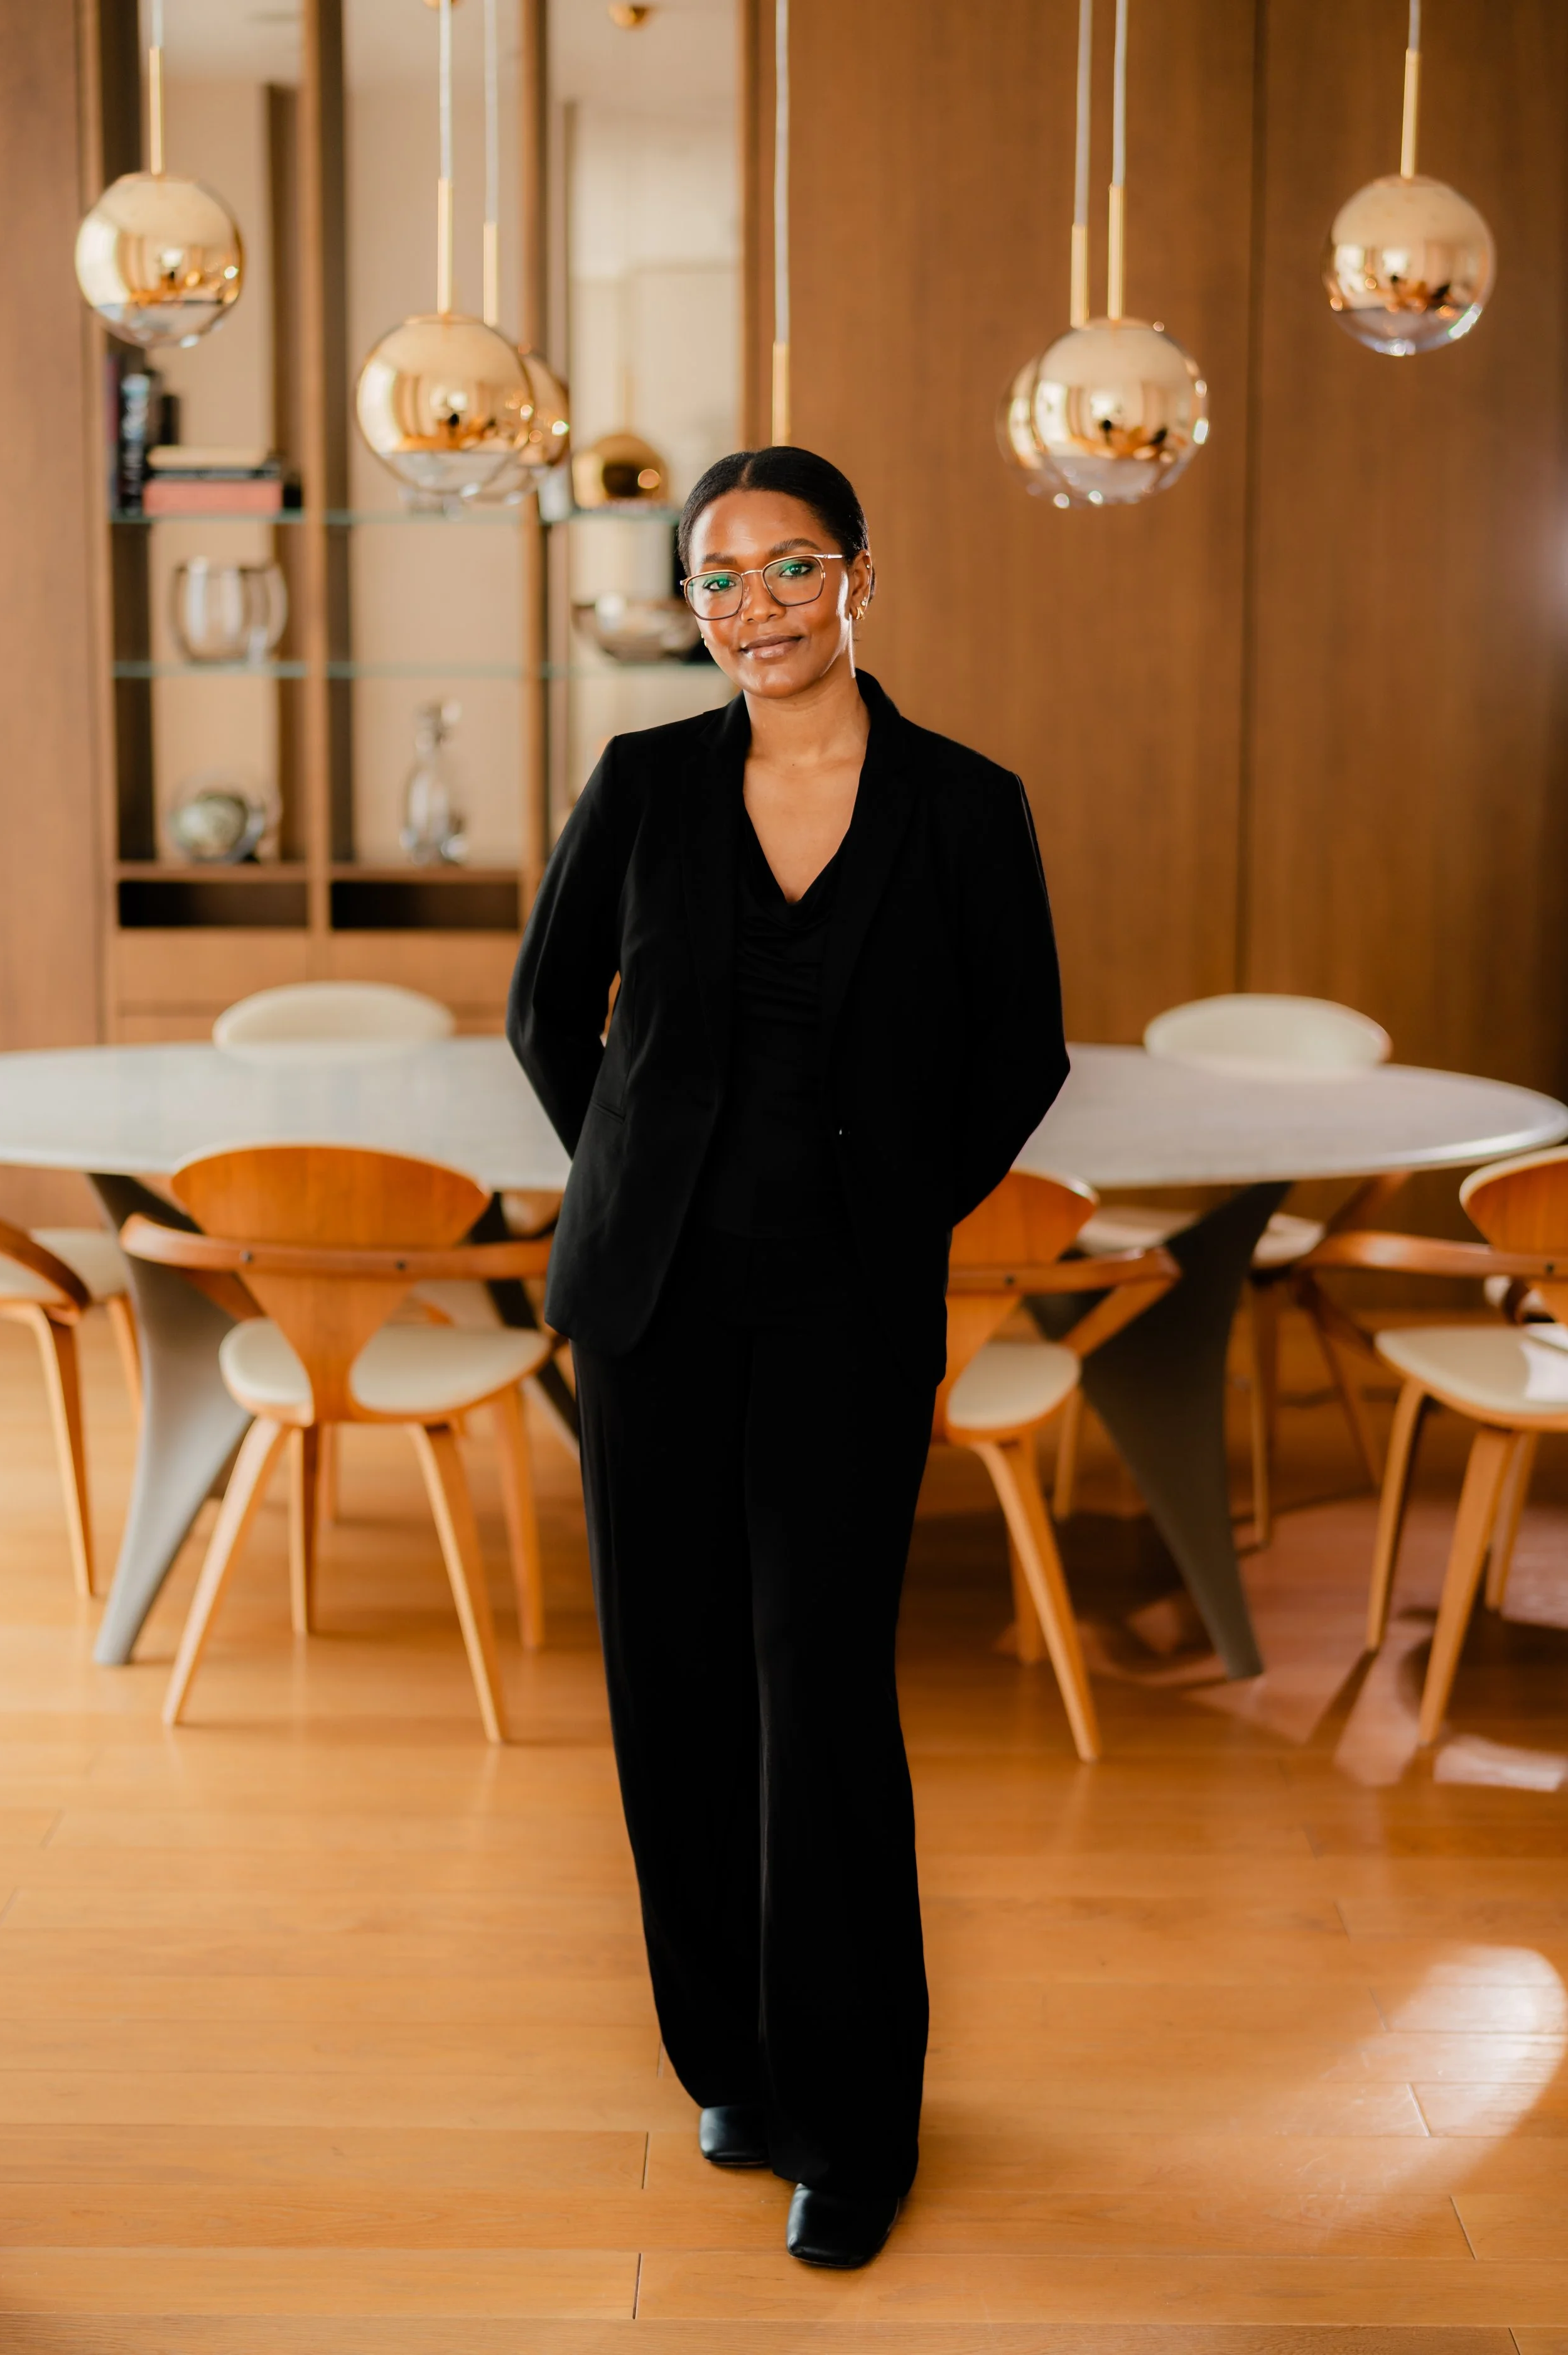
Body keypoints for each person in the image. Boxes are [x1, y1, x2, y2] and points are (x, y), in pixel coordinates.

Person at [507, 445, 1068, 2268]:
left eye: (789, 565)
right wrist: (636, 1180)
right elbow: (545, 1009)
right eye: (717, 578)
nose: (754, 606)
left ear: (859, 578)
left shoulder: (965, 806)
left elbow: (1020, 1054)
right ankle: (729, 2055)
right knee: (672, 1690)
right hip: (649, 1308)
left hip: (843, 1308)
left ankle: (854, 2114)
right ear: (692, 607)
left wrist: (892, 1207)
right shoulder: (645, 782)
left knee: (817, 1695)